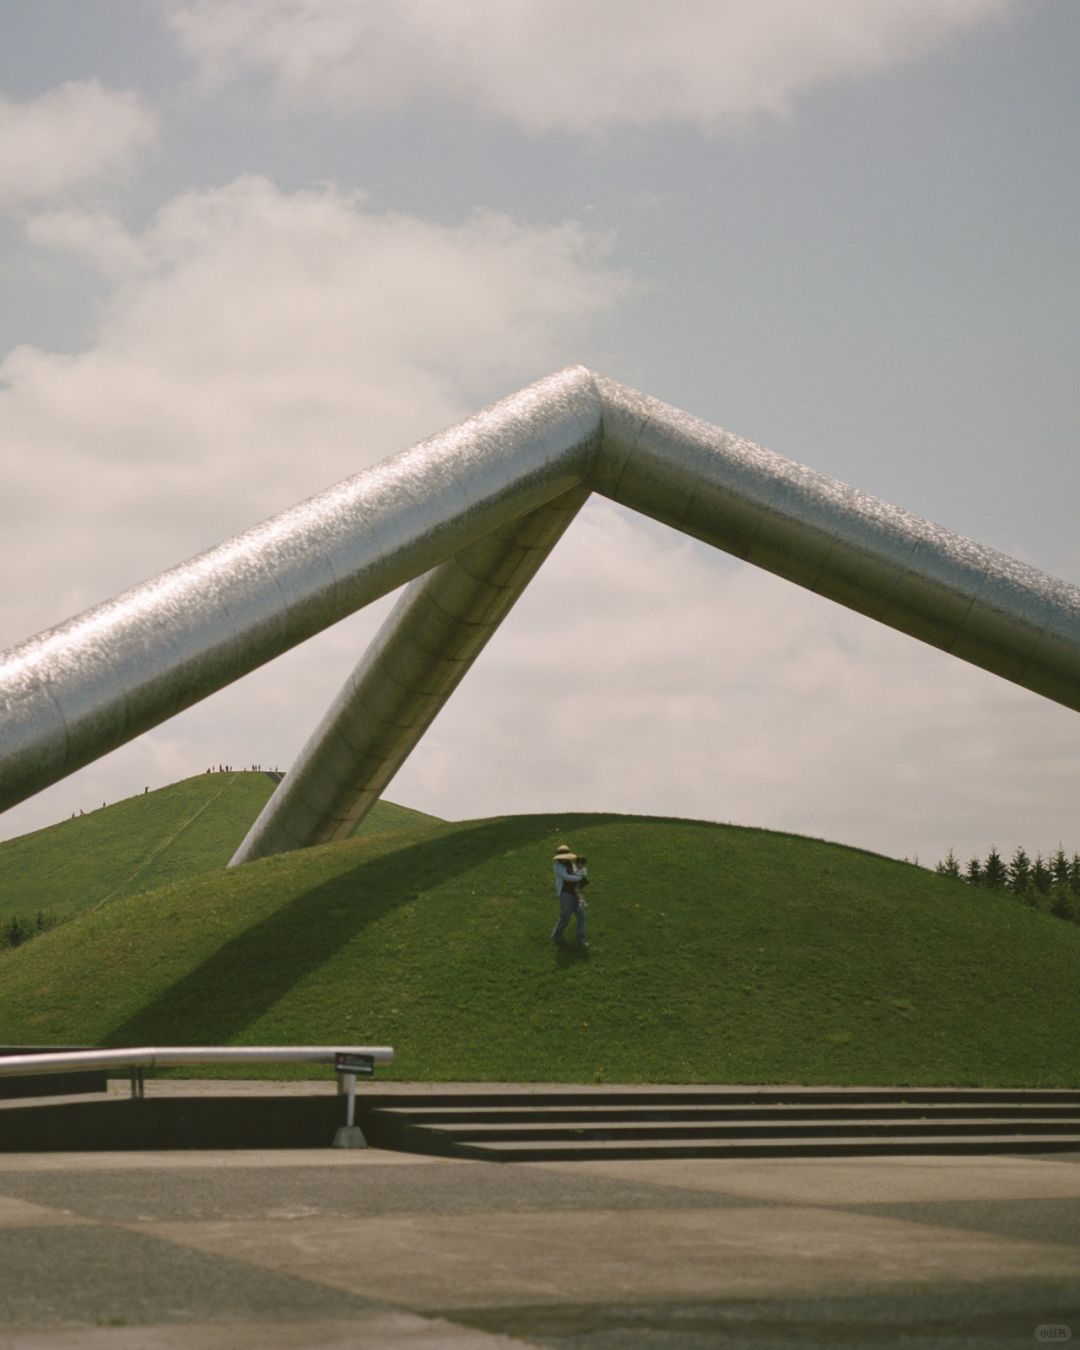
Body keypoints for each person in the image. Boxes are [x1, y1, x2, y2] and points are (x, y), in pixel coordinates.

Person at [551, 843, 588, 948]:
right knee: (565, 916)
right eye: (562, 857)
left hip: (575, 893)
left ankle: (581, 940)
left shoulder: (571, 864)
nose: (564, 858)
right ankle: (557, 935)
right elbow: (566, 877)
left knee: (582, 917)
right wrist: (580, 878)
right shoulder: (557, 866)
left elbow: (577, 872)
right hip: (565, 894)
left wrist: (581, 874)